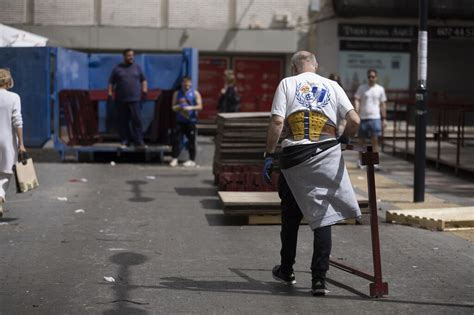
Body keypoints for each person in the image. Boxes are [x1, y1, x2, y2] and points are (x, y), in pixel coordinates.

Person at [262, 51, 361, 296]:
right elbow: (355, 120)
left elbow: (277, 122)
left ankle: (287, 270)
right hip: (326, 154)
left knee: (291, 217)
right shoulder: (333, 85)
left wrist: (269, 155)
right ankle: (319, 280)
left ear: (295, 67)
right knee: (324, 217)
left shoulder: (287, 83)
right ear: (315, 66)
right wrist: (344, 140)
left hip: (294, 158)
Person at [108, 49, 148, 149]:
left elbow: (143, 80)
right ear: (124, 56)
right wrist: (110, 93)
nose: (131, 57)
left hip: (135, 99)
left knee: (137, 121)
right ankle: (125, 141)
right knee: (123, 121)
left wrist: (144, 90)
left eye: (132, 55)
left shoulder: (137, 68)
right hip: (121, 100)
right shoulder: (117, 69)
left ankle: (139, 142)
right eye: (129, 55)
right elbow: (111, 82)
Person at [0, 69, 26, 218]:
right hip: (7, 141)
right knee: (5, 173)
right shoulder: (14, 97)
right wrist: (21, 143)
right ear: (9, 82)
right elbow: (18, 120)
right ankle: (1, 195)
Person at [353, 69, 387, 169]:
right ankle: (360, 160)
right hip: (363, 118)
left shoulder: (380, 89)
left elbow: (383, 104)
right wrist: (356, 112)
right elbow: (357, 99)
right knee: (361, 141)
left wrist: (384, 118)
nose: (371, 78)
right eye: (369, 77)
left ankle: (375, 162)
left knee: (375, 140)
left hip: (375, 117)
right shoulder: (362, 88)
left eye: (373, 77)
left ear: (376, 77)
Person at [169, 77, 203, 167]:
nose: (187, 86)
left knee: (191, 140)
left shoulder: (195, 93)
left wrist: (190, 108)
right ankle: (174, 158)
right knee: (176, 139)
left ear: (191, 84)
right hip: (180, 120)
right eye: (185, 84)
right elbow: (173, 106)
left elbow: (200, 106)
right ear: (182, 84)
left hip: (191, 121)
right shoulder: (177, 93)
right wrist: (179, 108)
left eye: (188, 84)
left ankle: (192, 160)